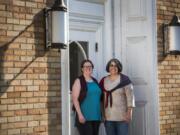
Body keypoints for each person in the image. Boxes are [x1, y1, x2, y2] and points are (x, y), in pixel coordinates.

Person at [99, 58, 135, 135]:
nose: (113, 67)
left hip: (122, 117)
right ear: (108, 67)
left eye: (116, 65)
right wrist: (102, 114)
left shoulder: (124, 79)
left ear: (119, 67)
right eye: (111, 65)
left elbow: (130, 97)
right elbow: (100, 99)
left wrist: (129, 113)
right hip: (108, 117)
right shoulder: (103, 80)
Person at [72, 59, 102, 135]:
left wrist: (102, 115)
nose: (88, 68)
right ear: (82, 69)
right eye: (86, 66)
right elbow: (75, 99)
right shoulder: (79, 81)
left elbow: (98, 98)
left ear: (92, 68)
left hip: (96, 117)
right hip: (85, 117)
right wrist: (80, 115)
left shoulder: (95, 80)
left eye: (90, 66)